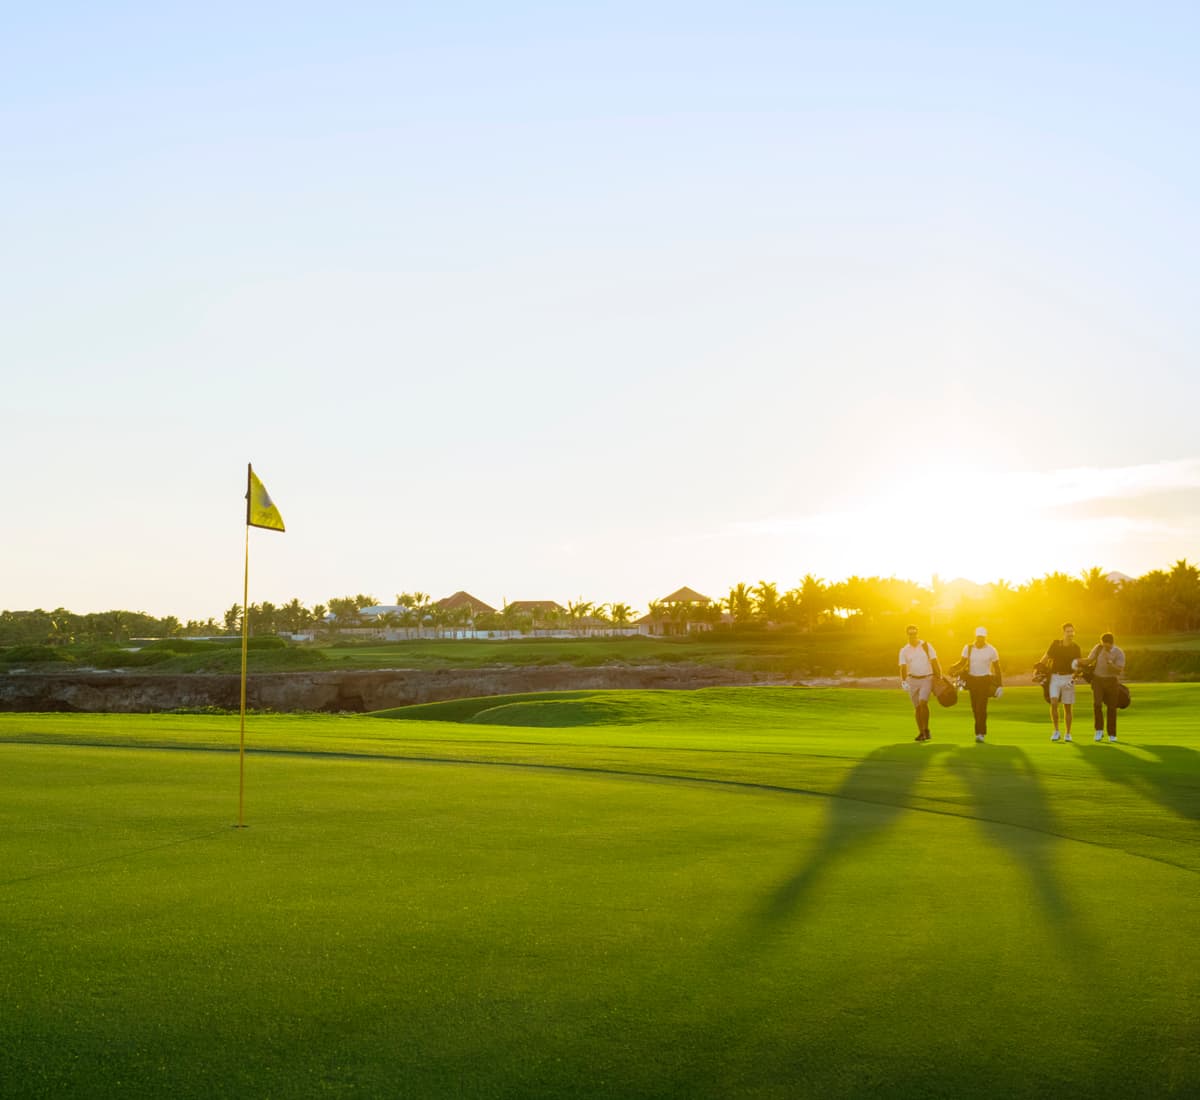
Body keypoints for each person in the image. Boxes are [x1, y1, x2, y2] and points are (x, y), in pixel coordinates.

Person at [898, 624, 942, 742]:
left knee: (923, 703)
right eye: (910, 634)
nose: (912, 636)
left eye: (914, 634)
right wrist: (903, 681)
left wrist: (939, 676)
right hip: (912, 680)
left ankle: (926, 729)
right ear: (907, 635)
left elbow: (935, 661)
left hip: (927, 678)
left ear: (917, 634)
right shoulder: (904, 650)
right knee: (917, 707)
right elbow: (903, 667)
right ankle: (921, 732)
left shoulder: (926, 646)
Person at [959, 626, 1002, 743]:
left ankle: (981, 733)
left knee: (981, 708)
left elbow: (997, 668)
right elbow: (962, 662)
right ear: (975, 637)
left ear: (985, 637)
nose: (980, 640)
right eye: (978, 637)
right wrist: (953, 668)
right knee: (974, 708)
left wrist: (1000, 685)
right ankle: (979, 732)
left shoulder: (991, 650)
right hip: (972, 681)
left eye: (982, 638)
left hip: (985, 681)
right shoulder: (968, 648)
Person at [1040, 622, 1081, 742]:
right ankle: (1056, 731)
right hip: (1055, 677)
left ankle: (1068, 733)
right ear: (1063, 633)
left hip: (1069, 678)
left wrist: (1074, 678)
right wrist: (1038, 669)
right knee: (1054, 703)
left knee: (1067, 707)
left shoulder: (1076, 648)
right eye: (1068, 631)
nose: (1070, 634)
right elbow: (1046, 657)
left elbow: (1078, 665)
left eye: (1072, 631)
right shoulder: (1056, 644)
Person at [1086, 632, 1126, 742]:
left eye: (1106, 645)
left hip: (1112, 681)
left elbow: (1119, 669)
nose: (1104, 647)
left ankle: (1112, 734)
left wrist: (1110, 663)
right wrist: (1077, 663)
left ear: (1111, 643)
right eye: (1103, 644)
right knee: (1097, 704)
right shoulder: (1098, 648)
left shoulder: (1119, 653)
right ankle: (1099, 730)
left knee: (1112, 707)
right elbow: (1089, 660)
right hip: (1098, 680)